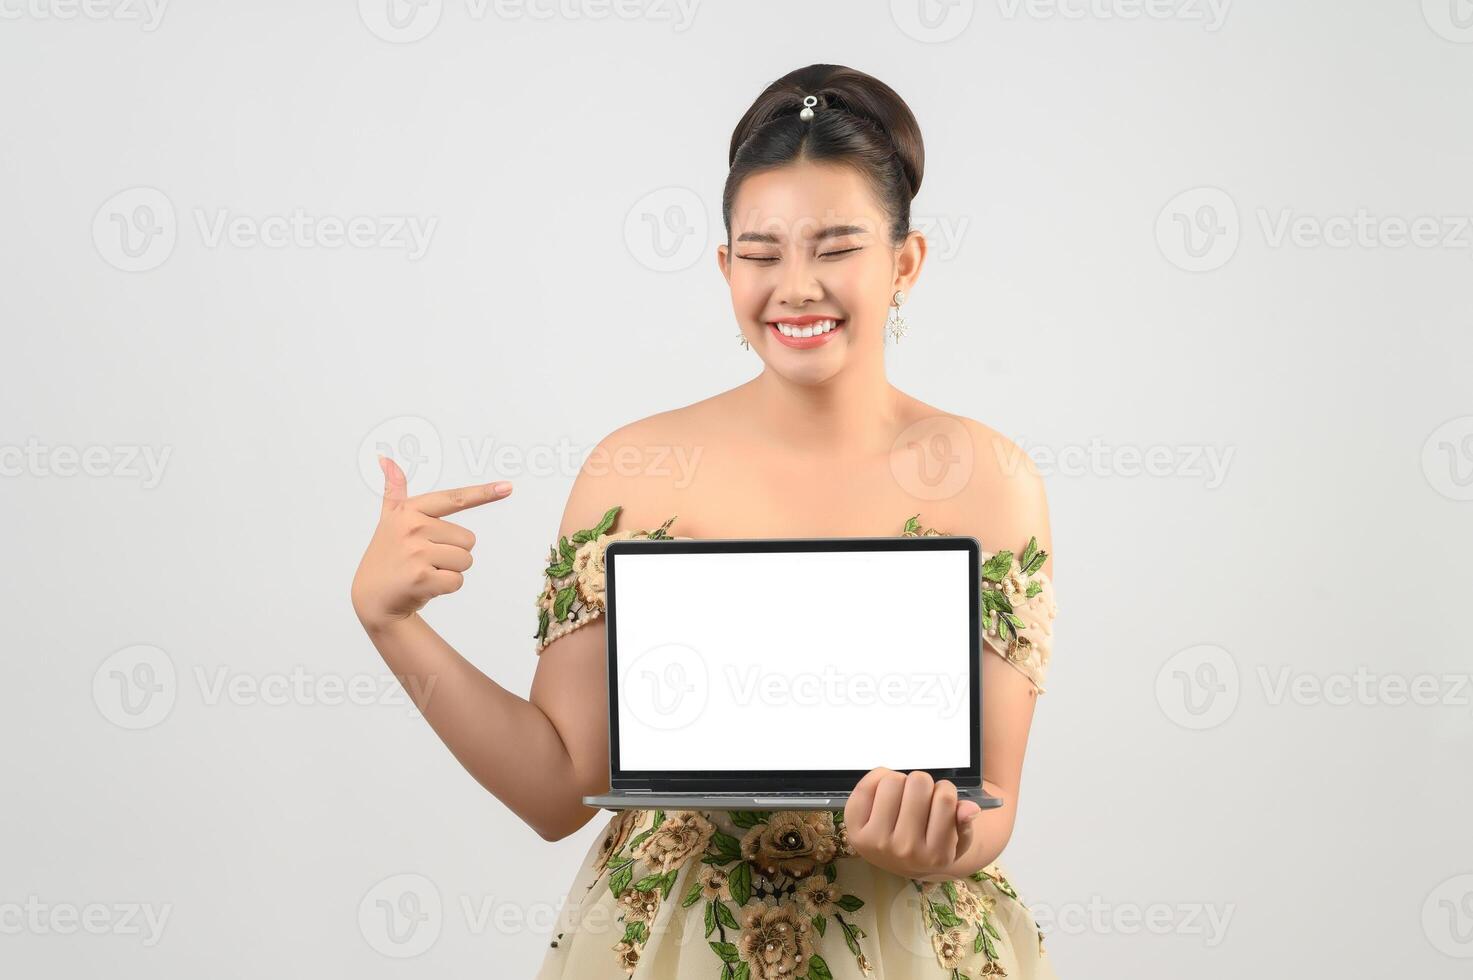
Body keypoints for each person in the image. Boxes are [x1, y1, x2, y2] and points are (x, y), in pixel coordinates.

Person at [351, 63, 1060, 979]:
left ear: (904, 262)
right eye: (761, 254)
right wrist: (392, 623)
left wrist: (937, 843)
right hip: (674, 942)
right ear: (727, 268)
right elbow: (558, 791)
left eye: (836, 247)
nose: (795, 286)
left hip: (905, 943)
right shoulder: (636, 471)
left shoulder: (988, 478)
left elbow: (991, 804)